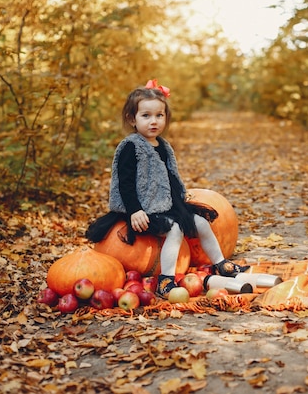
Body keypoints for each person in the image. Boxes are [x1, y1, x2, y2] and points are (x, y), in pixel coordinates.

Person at [86, 79, 249, 298]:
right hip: (143, 209)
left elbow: (169, 176)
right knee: (174, 229)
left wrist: (181, 198)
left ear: (166, 117)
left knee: (201, 222)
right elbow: (124, 183)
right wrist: (135, 210)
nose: (153, 121)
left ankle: (222, 264)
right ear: (131, 119)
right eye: (146, 116)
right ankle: (166, 280)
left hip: (166, 204)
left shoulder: (163, 145)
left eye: (159, 115)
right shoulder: (130, 147)